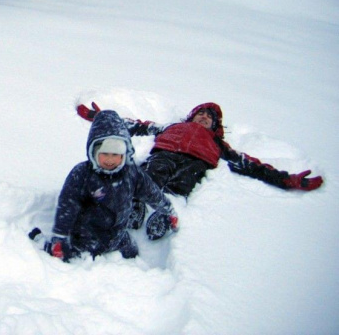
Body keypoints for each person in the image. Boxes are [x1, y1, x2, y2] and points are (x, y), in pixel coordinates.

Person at [77, 102, 324, 200]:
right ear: (192, 116)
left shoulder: (218, 144)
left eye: (209, 117)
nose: (204, 117)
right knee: (152, 175)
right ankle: (137, 205)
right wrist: (99, 116)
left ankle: (161, 216)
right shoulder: (173, 127)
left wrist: (287, 180)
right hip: (165, 153)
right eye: (201, 113)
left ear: (215, 125)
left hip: (197, 163)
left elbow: (252, 165)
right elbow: (138, 125)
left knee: (180, 187)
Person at [40, 110, 179, 262]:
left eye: (115, 155)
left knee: (133, 253)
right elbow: (68, 205)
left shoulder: (132, 173)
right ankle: (41, 242)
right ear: (93, 151)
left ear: (124, 154)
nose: (110, 160)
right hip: (86, 236)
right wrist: (60, 237)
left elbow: (151, 193)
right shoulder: (82, 174)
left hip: (118, 236)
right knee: (65, 256)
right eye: (105, 154)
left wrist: (168, 210)